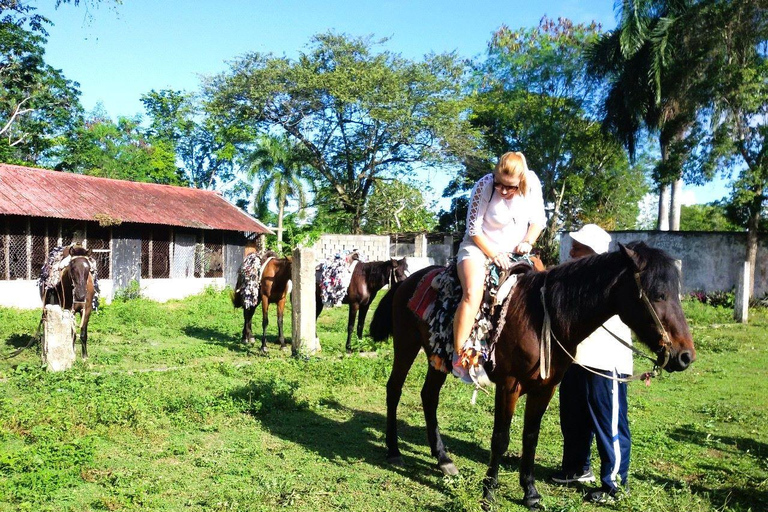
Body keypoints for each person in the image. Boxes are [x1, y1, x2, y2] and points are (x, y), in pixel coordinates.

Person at [551, 224, 633, 504]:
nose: (572, 250)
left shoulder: (608, 282)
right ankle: (576, 469)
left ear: (594, 253)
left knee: (609, 425)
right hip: (575, 359)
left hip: (605, 361)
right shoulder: (575, 277)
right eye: (573, 245)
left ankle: (615, 485)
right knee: (573, 419)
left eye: (579, 247)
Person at [452, 151, 546, 382]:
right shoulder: (484, 185)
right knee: (473, 292)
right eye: (499, 184)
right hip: (479, 247)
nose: (503, 191)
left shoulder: (532, 183)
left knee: (545, 289)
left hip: (515, 251)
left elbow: (538, 221)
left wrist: (527, 242)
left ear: (521, 180)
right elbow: (473, 230)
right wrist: (493, 255)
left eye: (510, 187)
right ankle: (460, 357)